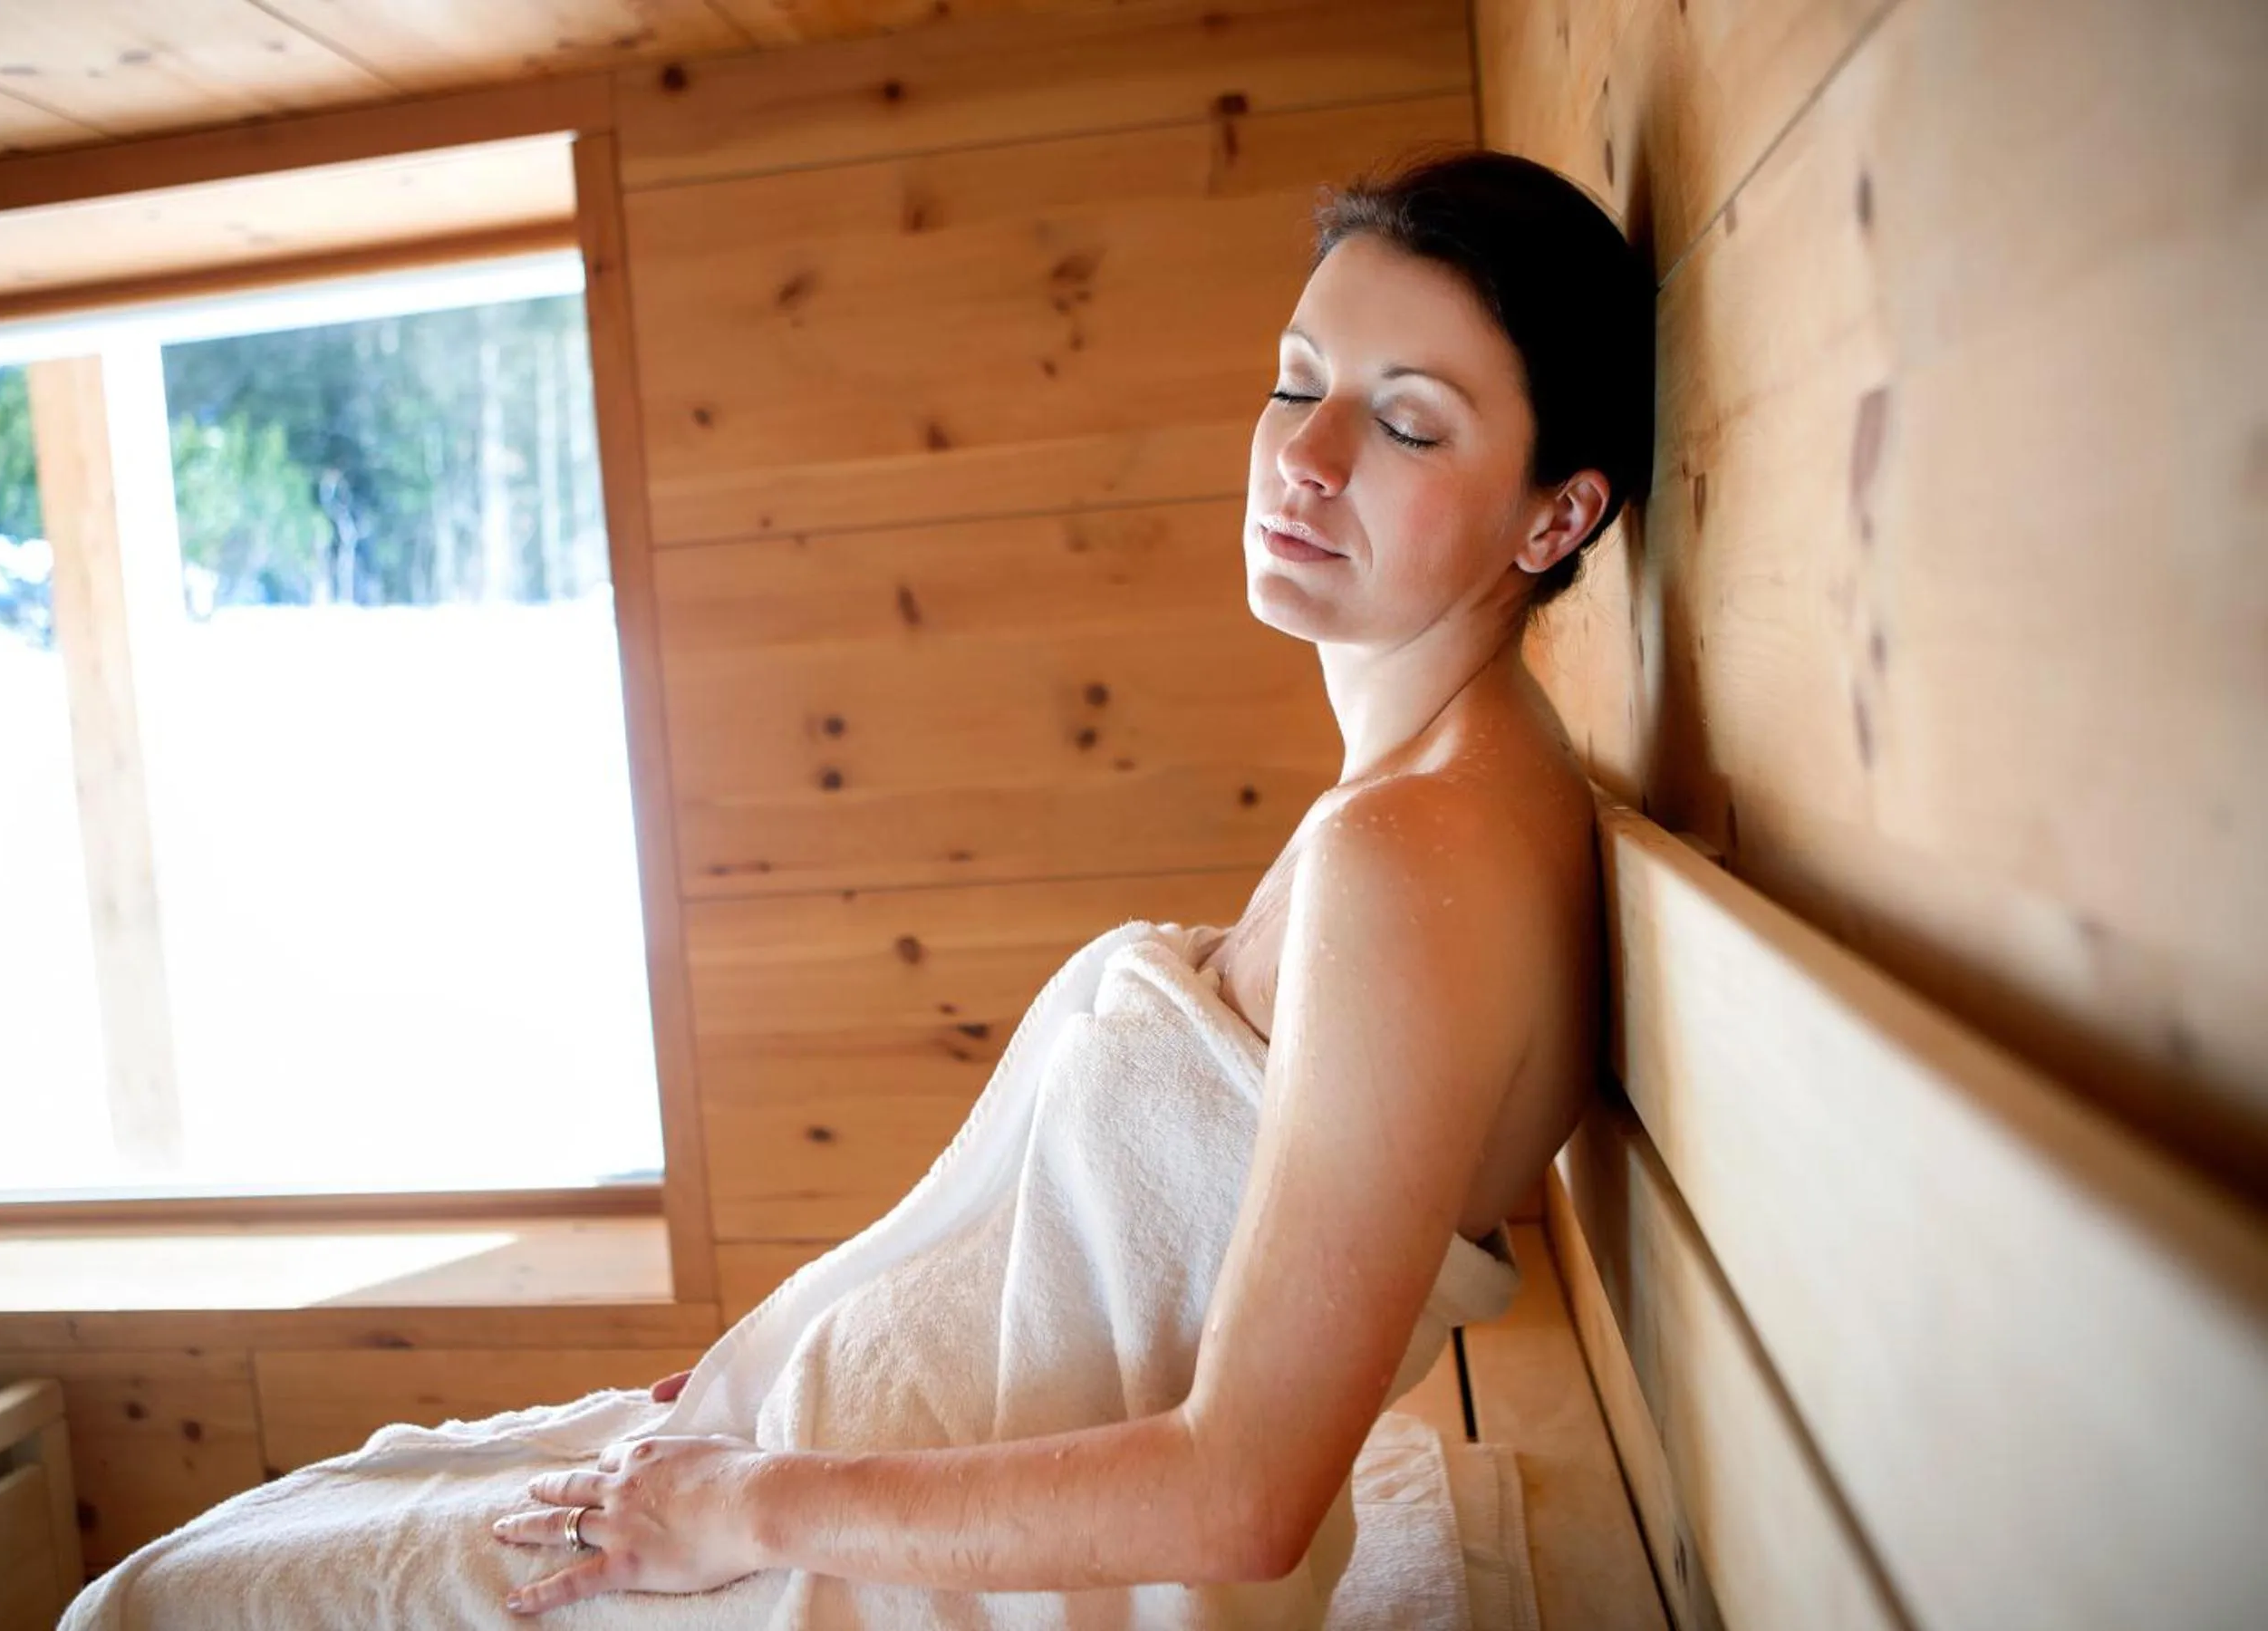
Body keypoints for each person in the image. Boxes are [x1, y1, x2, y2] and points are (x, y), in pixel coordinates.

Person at [484, 147, 1656, 1617]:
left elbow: (1242, 1495)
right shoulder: (1436, 797)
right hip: (868, 1462)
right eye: (1301, 383)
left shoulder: (1418, 852)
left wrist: (745, 1505)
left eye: (1409, 424)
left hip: (901, 1562)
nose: (1306, 455)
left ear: (1557, 520)